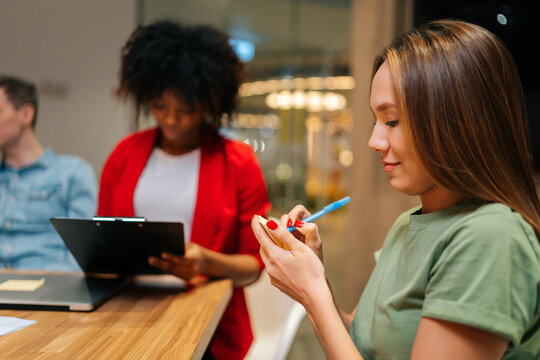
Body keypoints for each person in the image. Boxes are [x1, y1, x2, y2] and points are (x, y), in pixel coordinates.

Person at [252, 19, 540, 359]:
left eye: (392, 121)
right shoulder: (408, 224)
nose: (375, 142)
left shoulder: (490, 237)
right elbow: (359, 343)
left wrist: (312, 291)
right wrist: (315, 279)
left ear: (457, 121)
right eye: (376, 120)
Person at [97, 21, 270, 360]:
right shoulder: (124, 154)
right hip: (127, 314)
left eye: (186, 110)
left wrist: (207, 261)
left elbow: (253, 265)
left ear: (208, 103)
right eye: (161, 107)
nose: (171, 120)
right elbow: (104, 238)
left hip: (207, 327)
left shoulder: (238, 162)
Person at [0, 75, 97, 271]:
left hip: (49, 288)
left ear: (26, 114)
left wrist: (57, 291)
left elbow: (82, 253)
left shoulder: (73, 173)